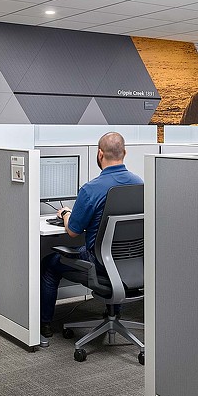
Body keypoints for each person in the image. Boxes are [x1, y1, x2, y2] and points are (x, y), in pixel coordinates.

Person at [39, 132, 143, 341]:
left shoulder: (91, 189)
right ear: (124, 153)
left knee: (49, 264)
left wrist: (66, 214)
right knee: (111, 253)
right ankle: (114, 313)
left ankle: (45, 324)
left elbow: (73, 231)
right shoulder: (139, 184)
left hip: (98, 263)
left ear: (99, 154)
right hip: (132, 263)